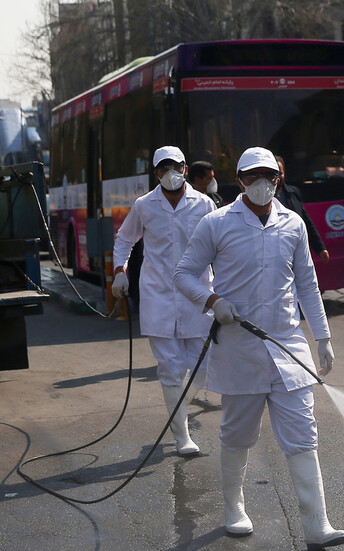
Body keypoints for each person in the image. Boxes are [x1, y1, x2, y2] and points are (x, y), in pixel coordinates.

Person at [174, 147, 344, 548]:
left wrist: (322, 337)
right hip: (239, 348)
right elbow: (184, 274)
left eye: (268, 176)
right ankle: (234, 507)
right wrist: (213, 301)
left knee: (303, 434)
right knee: (237, 434)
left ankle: (317, 523)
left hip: (288, 345)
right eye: (252, 177)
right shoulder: (216, 223)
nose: (261, 184)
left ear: (278, 179)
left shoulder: (293, 223)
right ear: (239, 181)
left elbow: (307, 283)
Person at [112, 145, 217, 457]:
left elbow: (221, 245)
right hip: (157, 295)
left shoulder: (204, 203)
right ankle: (182, 436)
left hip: (197, 296)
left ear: (185, 169)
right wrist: (119, 271)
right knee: (170, 368)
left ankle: (177, 409)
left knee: (203, 367)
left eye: (176, 167)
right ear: (156, 173)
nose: (171, 173)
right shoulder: (144, 205)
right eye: (164, 168)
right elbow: (125, 239)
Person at [274, 156, 329, 262]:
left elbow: (306, 222)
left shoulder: (293, 193)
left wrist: (320, 248)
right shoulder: (262, 198)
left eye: (280, 173)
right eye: (274, 174)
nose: (278, 178)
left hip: (294, 250)